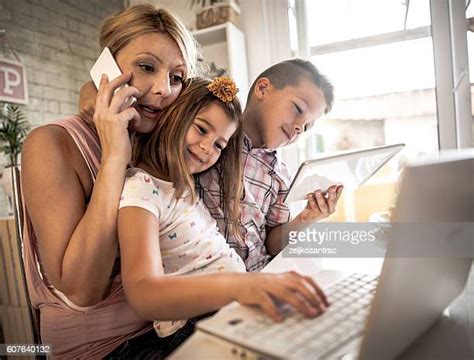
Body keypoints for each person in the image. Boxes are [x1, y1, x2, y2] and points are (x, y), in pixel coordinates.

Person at [21, 4, 201, 358]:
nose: (163, 89)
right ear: (106, 66)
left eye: (176, 78)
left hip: (167, 329)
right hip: (104, 348)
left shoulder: (158, 146)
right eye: (146, 67)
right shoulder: (49, 144)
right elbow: (81, 290)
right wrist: (114, 155)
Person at [111, 76, 329, 358]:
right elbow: (143, 293)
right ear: (173, 118)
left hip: (229, 307)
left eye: (219, 146)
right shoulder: (142, 189)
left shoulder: (183, 186)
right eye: (201, 129)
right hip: (196, 321)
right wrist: (244, 285)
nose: (206, 148)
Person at [195, 59, 343, 271]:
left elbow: (272, 244)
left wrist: (306, 218)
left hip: (260, 275)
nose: (300, 127)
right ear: (263, 89)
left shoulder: (280, 175)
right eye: (298, 108)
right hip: (210, 277)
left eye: (307, 126)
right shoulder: (213, 141)